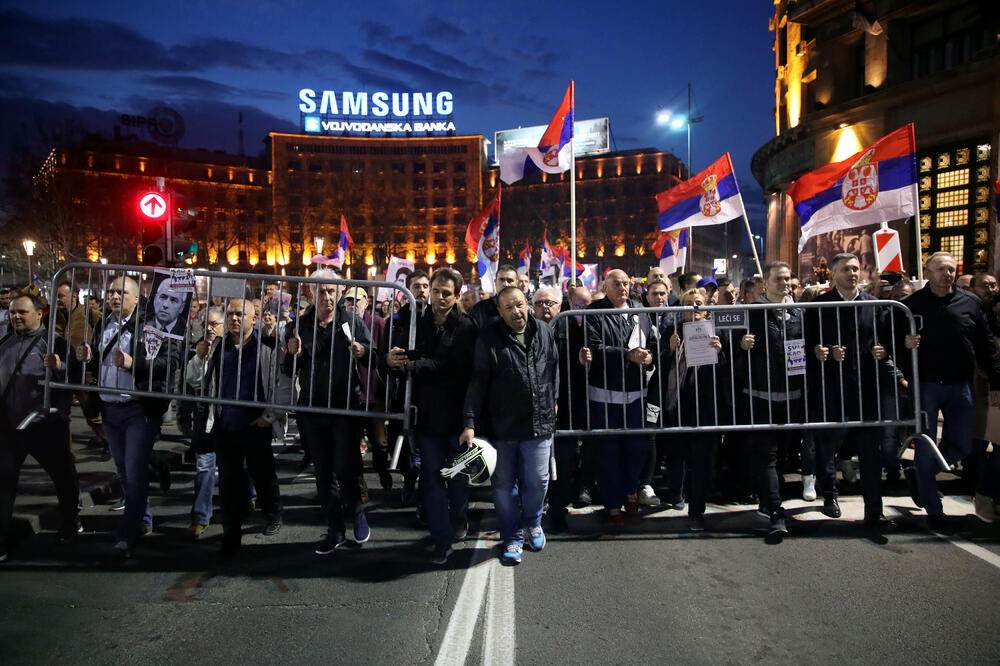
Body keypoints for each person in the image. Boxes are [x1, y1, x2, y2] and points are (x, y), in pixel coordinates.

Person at [74, 276, 177, 557]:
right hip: (109, 409)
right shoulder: (102, 323)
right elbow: (99, 360)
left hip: (138, 410)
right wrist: (86, 356)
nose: (115, 297)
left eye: (122, 292)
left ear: (136, 297)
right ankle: (143, 519)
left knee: (133, 472)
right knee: (123, 469)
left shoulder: (152, 325)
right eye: (111, 292)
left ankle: (128, 532)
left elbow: (169, 363)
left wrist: (136, 363)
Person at [902, 253, 1000, 530]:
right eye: (941, 269)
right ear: (928, 272)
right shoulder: (911, 305)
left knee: (963, 444)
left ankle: (923, 474)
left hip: (961, 386)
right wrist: (905, 343)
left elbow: (986, 346)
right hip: (926, 385)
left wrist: (996, 380)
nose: (948, 273)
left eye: (951, 268)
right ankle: (934, 509)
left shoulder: (971, 303)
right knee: (925, 442)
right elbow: (891, 341)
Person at [462, 286, 558, 565]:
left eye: (520, 305)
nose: (517, 312)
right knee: (504, 485)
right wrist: (469, 421)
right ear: (500, 312)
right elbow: (478, 382)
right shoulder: (489, 338)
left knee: (538, 480)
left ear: (526, 304)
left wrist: (554, 398)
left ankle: (534, 522)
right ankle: (513, 536)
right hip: (502, 428)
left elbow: (554, 367)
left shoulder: (543, 330)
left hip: (539, 423)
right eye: (509, 308)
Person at [385, 268, 476, 564]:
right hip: (425, 417)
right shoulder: (414, 323)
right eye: (435, 291)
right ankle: (441, 539)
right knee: (431, 479)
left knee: (458, 477)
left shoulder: (466, 327)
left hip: (457, 415)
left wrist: (417, 365)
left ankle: (460, 516)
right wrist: (389, 360)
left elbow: (457, 369)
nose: (438, 298)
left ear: (457, 295)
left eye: (446, 293)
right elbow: (396, 358)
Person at [805, 253, 898, 532]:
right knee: (828, 446)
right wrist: (819, 351)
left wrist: (884, 351)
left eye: (856, 269)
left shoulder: (875, 305)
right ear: (833, 274)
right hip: (832, 387)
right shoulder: (819, 305)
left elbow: (885, 338)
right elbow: (807, 342)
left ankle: (874, 510)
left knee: (871, 451)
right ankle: (830, 495)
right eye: (846, 269)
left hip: (867, 389)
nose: (852, 274)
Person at [285, 269, 371, 553]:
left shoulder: (352, 322)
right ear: (310, 293)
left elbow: (372, 357)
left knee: (346, 467)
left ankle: (357, 513)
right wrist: (291, 354)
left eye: (332, 291)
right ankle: (335, 528)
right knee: (323, 473)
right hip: (313, 407)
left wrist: (363, 352)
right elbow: (289, 371)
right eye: (321, 291)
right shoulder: (299, 326)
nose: (327, 297)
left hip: (346, 406)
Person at [199, 298, 285, 561]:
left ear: (254, 318)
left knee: (263, 473)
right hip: (226, 425)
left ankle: (273, 513)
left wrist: (269, 417)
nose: (235, 319)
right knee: (228, 483)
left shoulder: (267, 347)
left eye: (241, 314)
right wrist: (199, 357)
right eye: (231, 314)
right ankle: (231, 533)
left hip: (255, 424)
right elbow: (196, 380)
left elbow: (280, 384)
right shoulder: (217, 347)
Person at [0, 294, 80, 562]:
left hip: (44, 424)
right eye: (12, 312)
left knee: (63, 476)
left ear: (39, 314)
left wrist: (60, 367)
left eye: (22, 312)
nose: (15, 317)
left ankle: (70, 522)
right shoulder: (5, 341)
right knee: (4, 483)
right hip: (11, 426)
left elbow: (75, 378)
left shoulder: (54, 342)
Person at [647, 288, 729, 531]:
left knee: (700, 462)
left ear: (706, 308)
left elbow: (728, 372)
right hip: (675, 407)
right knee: (676, 457)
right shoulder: (671, 332)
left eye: (698, 304)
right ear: (682, 310)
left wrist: (720, 352)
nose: (694, 309)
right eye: (688, 304)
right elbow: (658, 367)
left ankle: (697, 511)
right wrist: (669, 351)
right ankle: (677, 493)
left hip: (703, 408)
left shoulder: (715, 333)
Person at [578, 269, 654, 527]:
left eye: (626, 283)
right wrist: (626, 354)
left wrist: (649, 356)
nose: (623, 287)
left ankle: (631, 489)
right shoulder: (595, 311)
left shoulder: (639, 310)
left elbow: (651, 342)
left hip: (636, 394)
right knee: (608, 451)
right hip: (604, 394)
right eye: (617, 284)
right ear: (605, 286)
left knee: (636, 448)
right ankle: (612, 504)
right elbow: (595, 346)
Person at [737, 262, 802, 535]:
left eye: (787, 279)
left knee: (784, 455)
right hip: (760, 394)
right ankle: (776, 510)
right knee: (768, 455)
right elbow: (731, 342)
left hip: (791, 394)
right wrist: (742, 344)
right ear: (767, 282)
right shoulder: (752, 311)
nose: (784, 283)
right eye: (779, 279)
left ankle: (768, 499)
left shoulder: (800, 311)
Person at [549, 285, 594, 530]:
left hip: (588, 393)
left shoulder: (593, 322)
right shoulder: (559, 324)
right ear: (568, 302)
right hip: (563, 395)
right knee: (564, 451)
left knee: (589, 444)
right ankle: (559, 501)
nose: (583, 310)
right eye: (579, 306)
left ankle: (584, 487)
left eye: (587, 305)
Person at [182, 307, 224, 538]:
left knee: (241, 464)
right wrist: (199, 357)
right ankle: (200, 516)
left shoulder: (233, 347)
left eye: (214, 324)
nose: (209, 328)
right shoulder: (201, 348)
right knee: (205, 466)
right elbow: (192, 381)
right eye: (206, 324)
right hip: (206, 416)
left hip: (231, 416)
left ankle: (250, 496)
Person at [54, 280, 107, 454]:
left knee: (93, 414)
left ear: (74, 296)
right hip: (60, 373)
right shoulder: (51, 318)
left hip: (85, 374)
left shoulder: (93, 316)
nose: (57, 299)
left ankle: (106, 440)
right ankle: (66, 457)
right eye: (56, 296)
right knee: (61, 416)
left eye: (61, 295)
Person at [468, 264, 518, 328]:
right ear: (495, 282)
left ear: (516, 283)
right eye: (501, 280)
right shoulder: (479, 309)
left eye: (510, 280)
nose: (505, 284)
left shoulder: (523, 308)